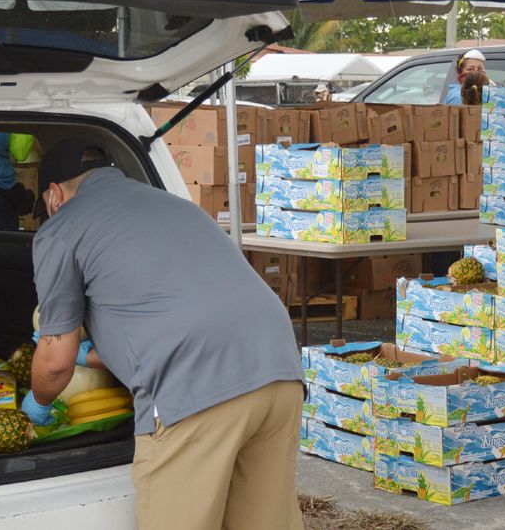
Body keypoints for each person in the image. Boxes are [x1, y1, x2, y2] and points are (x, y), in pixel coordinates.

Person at [21, 139, 305, 530]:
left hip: (195, 392)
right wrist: (88, 353)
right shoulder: (176, 204)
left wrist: (36, 405)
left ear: (54, 195)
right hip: (278, 371)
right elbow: (164, 322)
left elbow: (54, 364)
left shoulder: (62, 229)